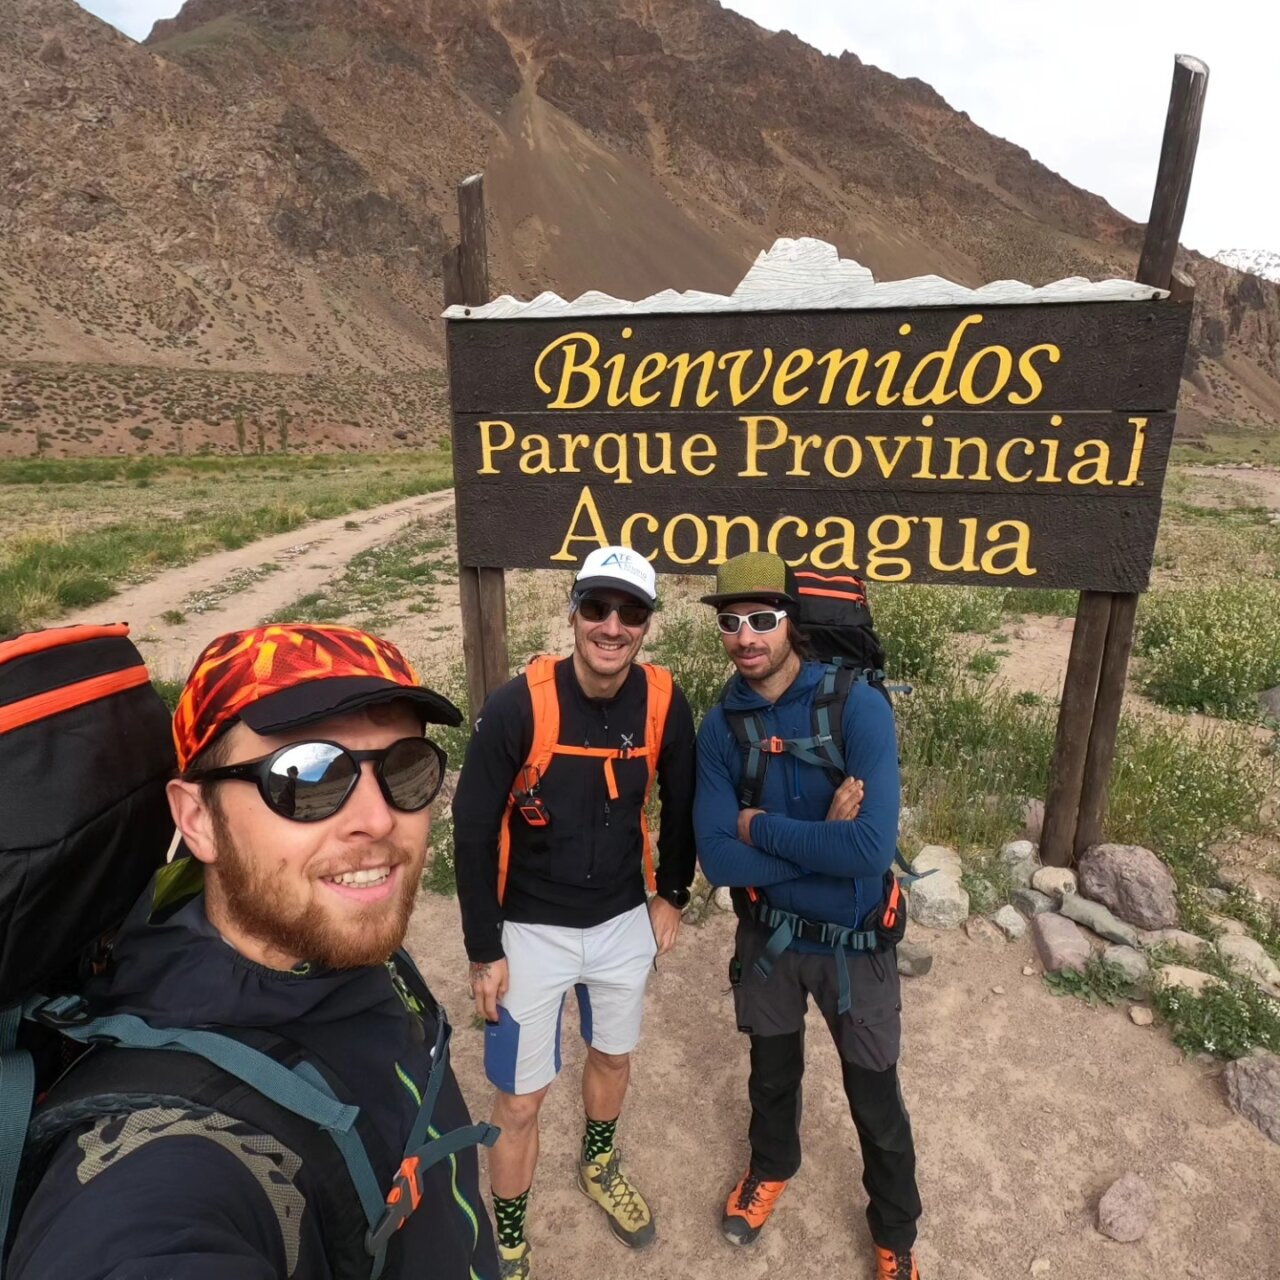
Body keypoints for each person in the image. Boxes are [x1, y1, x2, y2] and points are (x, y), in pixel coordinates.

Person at [8, 622, 499, 1280]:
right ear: (197, 820)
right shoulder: (163, 1167)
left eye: (404, 769)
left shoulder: (318, 932)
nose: (378, 820)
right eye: (306, 778)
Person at [453, 546, 697, 1278]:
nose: (612, 626)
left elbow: (681, 800)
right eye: (597, 607)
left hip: (624, 920)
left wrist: (673, 894)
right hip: (530, 930)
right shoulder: (518, 704)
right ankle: (510, 1238)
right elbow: (471, 825)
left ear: (648, 624)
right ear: (573, 613)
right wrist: (482, 948)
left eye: (631, 612)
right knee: (520, 1102)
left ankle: (598, 1165)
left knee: (613, 1056)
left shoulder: (661, 700)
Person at [693, 552, 923, 1280]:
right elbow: (717, 862)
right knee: (770, 1074)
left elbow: (869, 847)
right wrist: (822, 837)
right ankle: (772, 1169)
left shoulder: (857, 706)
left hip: (857, 945)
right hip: (769, 939)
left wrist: (756, 828)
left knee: (875, 1100)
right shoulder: (723, 725)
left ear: (793, 622)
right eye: (730, 623)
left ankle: (895, 1237)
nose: (746, 636)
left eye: (762, 619)